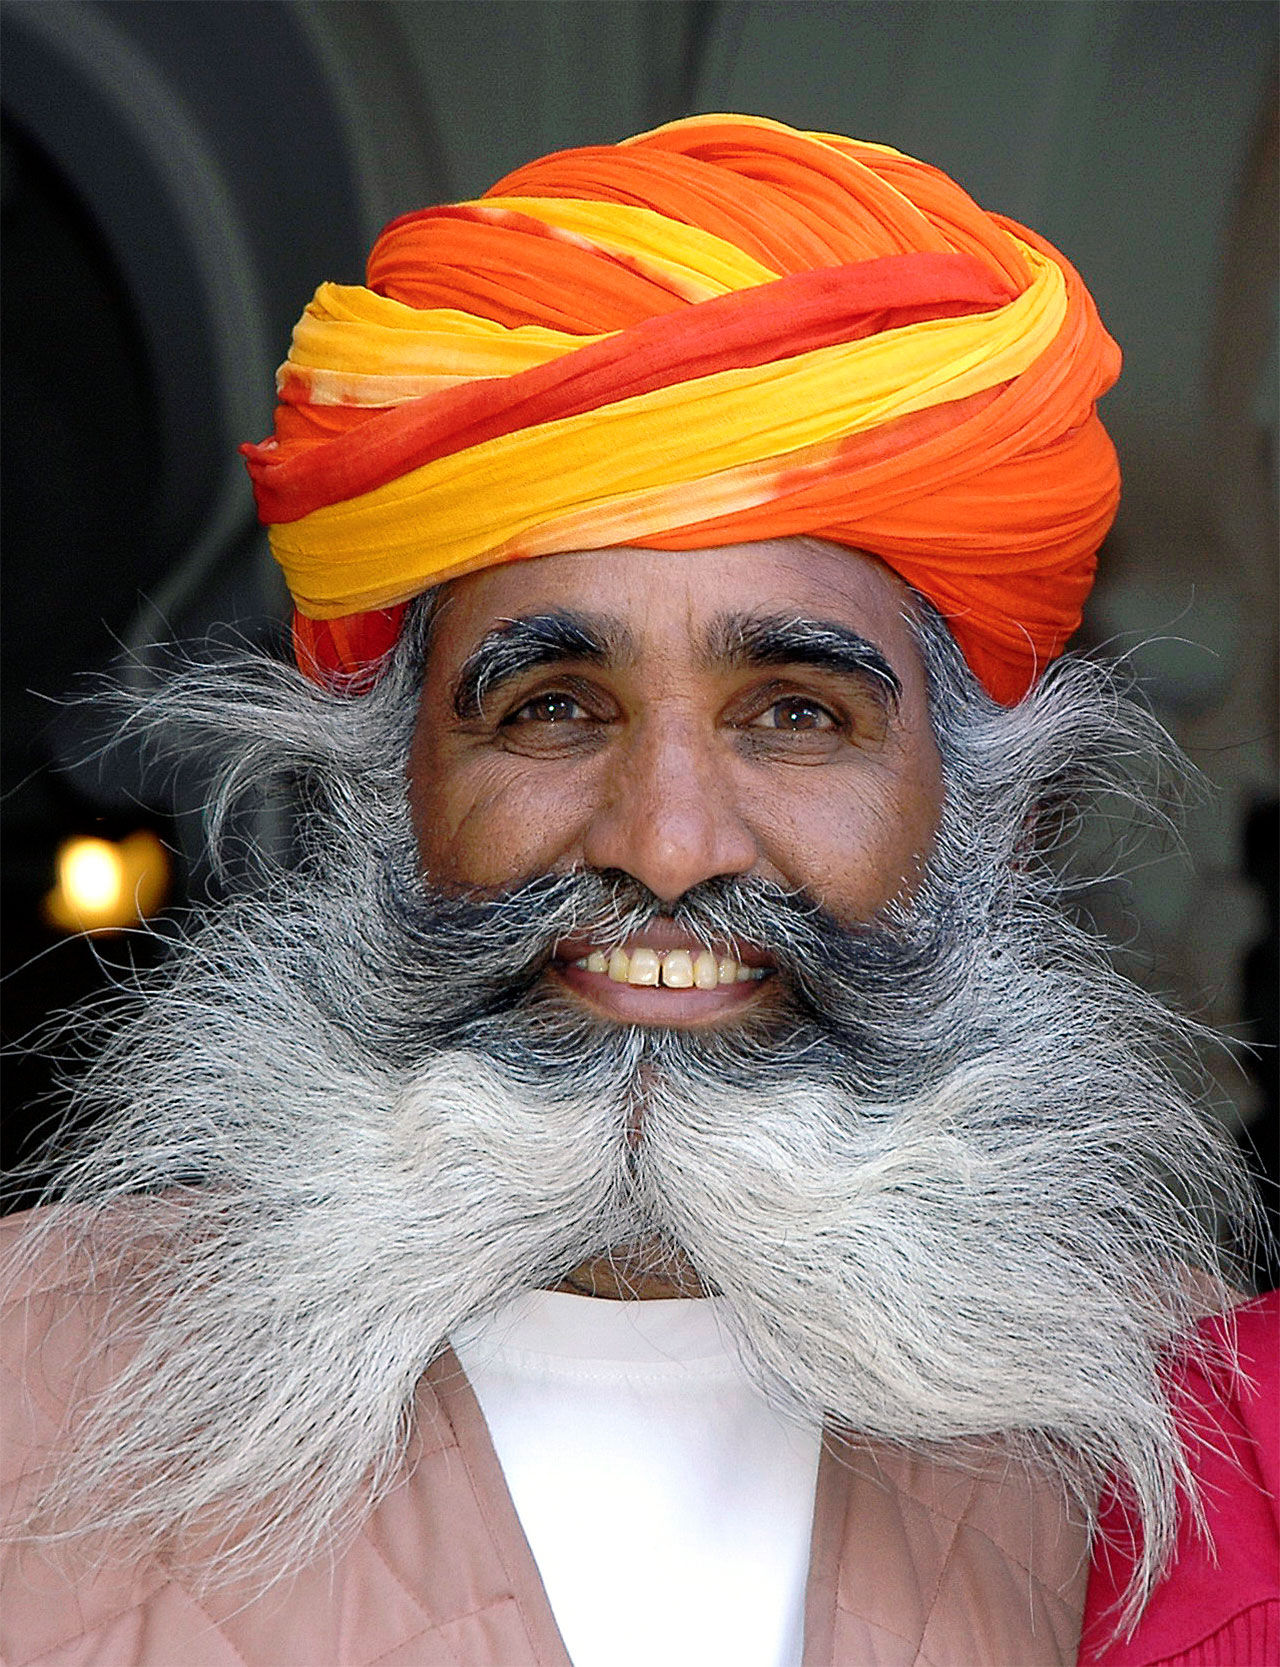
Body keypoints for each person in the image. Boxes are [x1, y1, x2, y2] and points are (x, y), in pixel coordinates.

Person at [1, 114, 1274, 1667]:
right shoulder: (28, 1381)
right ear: (382, 796)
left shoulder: (1207, 1442)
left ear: (984, 821)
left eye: (800, 715)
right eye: (549, 709)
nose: (667, 847)